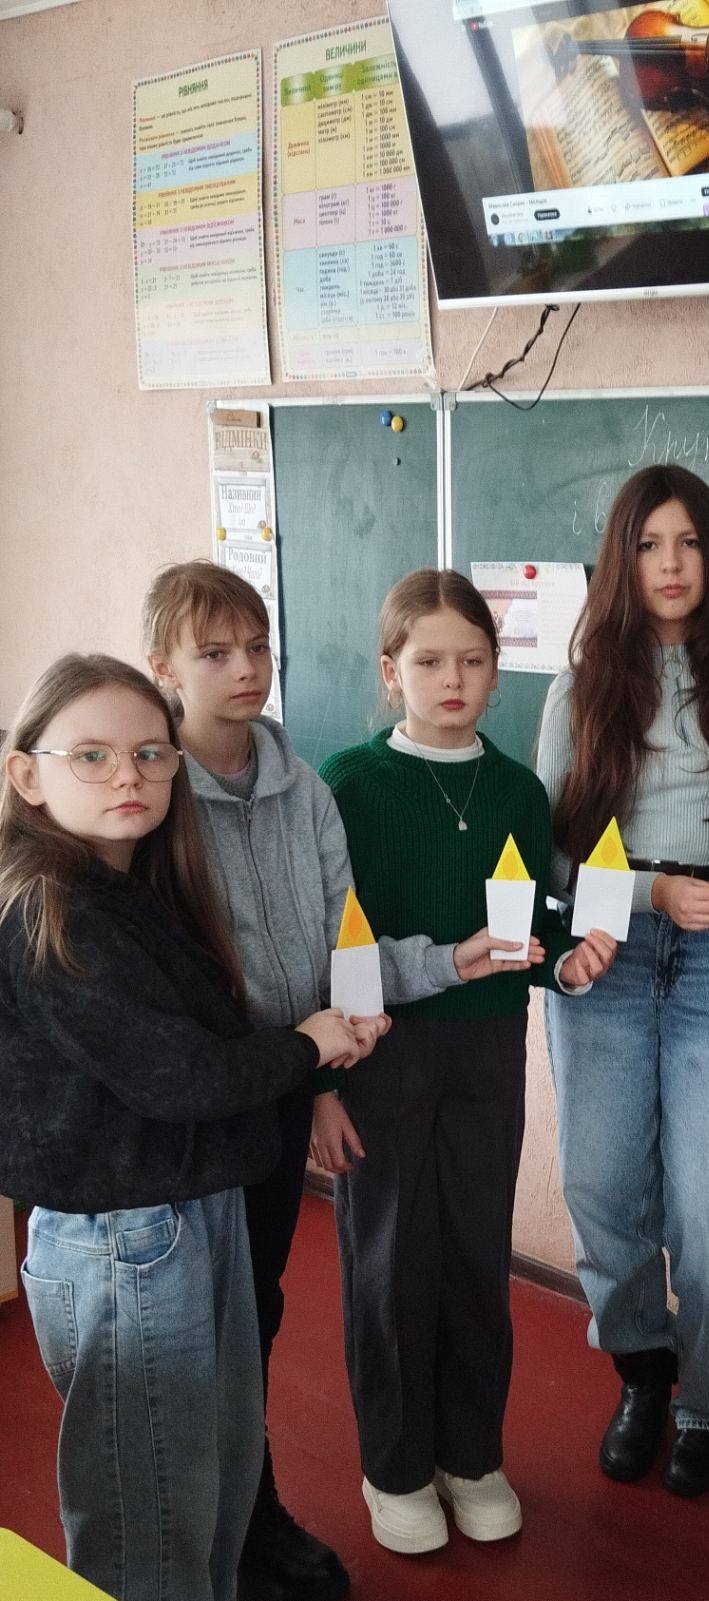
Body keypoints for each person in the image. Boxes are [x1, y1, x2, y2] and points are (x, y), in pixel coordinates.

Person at [143, 559, 518, 1599]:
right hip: (194, 1103)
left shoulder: (303, 788)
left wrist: (433, 975)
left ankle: (254, 1510)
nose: (246, 667)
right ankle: (204, 1528)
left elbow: (342, 952)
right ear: (163, 666)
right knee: (192, 1318)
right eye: (216, 652)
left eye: (258, 646)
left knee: (254, 1305)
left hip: (289, 1078)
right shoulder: (154, 792)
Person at [0, 654, 371, 1601]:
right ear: (27, 774)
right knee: (149, 1515)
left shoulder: (130, 890)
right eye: (91, 755)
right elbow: (180, 1074)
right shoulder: (56, 912)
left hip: (185, 1210)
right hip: (126, 1239)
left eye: (150, 753)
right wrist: (307, 1045)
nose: (128, 775)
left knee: (204, 1477)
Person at [318, 568, 616, 1556]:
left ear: (496, 671)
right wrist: (324, 1082)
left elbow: (531, 927)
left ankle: (471, 1454)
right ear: (390, 670)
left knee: (476, 1256)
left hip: (488, 1047)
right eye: (430, 660)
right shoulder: (350, 784)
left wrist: (566, 962)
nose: (452, 679)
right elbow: (331, 942)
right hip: (384, 1049)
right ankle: (396, 1464)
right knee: (390, 1258)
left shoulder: (519, 790)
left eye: (474, 660)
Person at [537, 464, 709, 1498]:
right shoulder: (580, 685)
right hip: (608, 949)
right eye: (649, 544)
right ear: (622, 558)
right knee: (601, 1190)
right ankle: (644, 1371)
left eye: (688, 542)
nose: (671, 563)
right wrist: (649, 895)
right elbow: (553, 857)